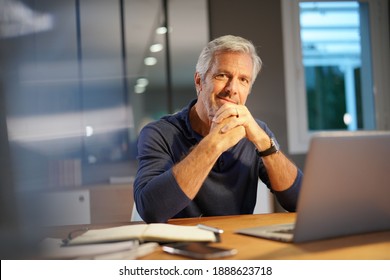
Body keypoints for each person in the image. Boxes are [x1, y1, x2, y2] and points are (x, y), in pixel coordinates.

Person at [134, 35, 303, 223]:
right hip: (178, 245)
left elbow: (301, 203)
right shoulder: (159, 133)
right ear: (199, 81)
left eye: (243, 80)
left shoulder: (256, 132)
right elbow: (151, 211)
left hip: (238, 243)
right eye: (222, 75)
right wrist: (214, 144)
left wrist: (264, 143)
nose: (232, 88)